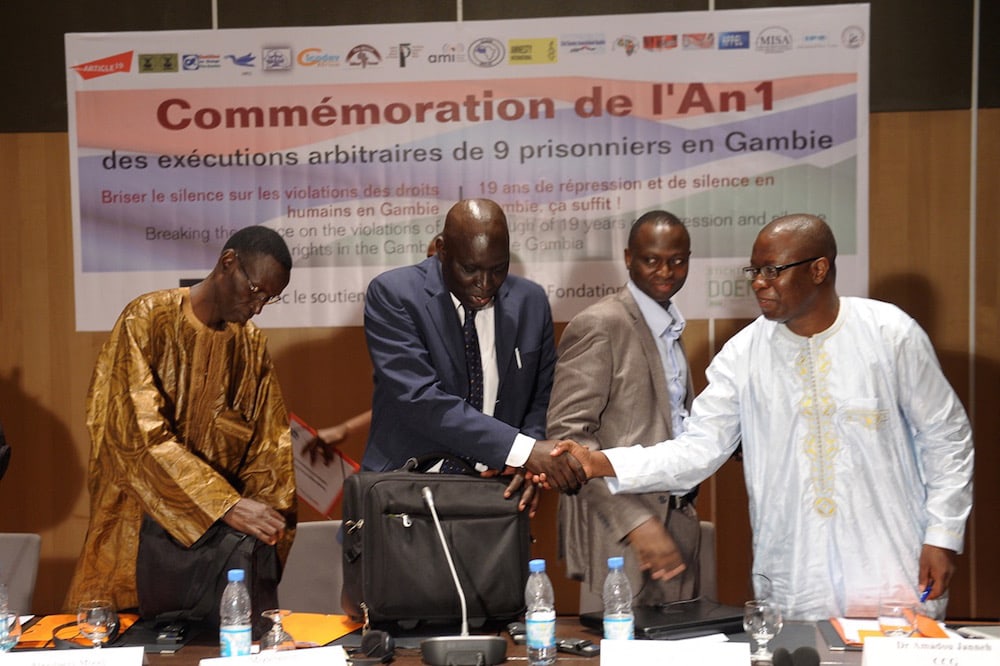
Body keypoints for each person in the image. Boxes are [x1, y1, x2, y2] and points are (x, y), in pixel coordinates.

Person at [552, 214, 974, 620]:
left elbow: (947, 438)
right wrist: (600, 462)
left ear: (819, 269)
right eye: (754, 271)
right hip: (796, 575)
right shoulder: (742, 354)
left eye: (772, 271)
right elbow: (697, 452)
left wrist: (942, 536)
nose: (758, 283)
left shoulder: (890, 333)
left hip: (893, 565)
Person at [66, 226, 297, 610]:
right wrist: (225, 505)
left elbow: (269, 453)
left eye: (269, 299)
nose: (257, 307)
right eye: (256, 291)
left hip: (215, 559)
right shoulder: (147, 319)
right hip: (134, 538)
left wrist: (266, 532)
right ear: (227, 263)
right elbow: (136, 437)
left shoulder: (251, 347)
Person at [361, 198, 585, 502]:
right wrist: (523, 450)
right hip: (405, 492)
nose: (485, 284)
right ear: (442, 250)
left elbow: (541, 394)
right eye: (470, 269)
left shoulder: (530, 301)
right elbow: (421, 400)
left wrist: (528, 462)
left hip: (498, 494)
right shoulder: (394, 295)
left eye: (498, 269)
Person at [547, 211, 699, 612]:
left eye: (678, 259)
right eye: (652, 259)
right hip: (621, 536)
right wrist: (636, 523)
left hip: (678, 525)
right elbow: (569, 442)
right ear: (629, 257)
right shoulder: (601, 324)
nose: (666, 270)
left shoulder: (670, 329)